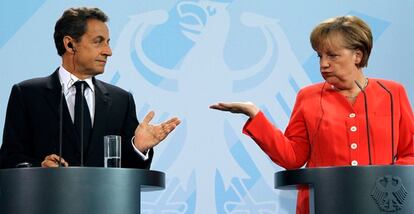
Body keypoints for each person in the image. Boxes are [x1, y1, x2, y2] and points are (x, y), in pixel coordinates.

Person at [210, 15, 414, 214]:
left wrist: (388, 185)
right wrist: (255, 115)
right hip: (321, 204)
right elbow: (292, 158)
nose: (323, 63)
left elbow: (410, 153)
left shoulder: (392, 93)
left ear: (357, 56)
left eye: (332, 55)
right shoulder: (308, 97)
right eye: (320, 56)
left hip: (379, 207)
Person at [0, 7, 180, 169]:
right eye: (98, 41)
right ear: (70, 44)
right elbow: (10, 160)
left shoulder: (121, 100)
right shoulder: (28, 94)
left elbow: (128, 173)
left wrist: (138, 147)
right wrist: (40, 168)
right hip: (47, 203)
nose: (108, 51)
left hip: (104, 205)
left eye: (108, 42)